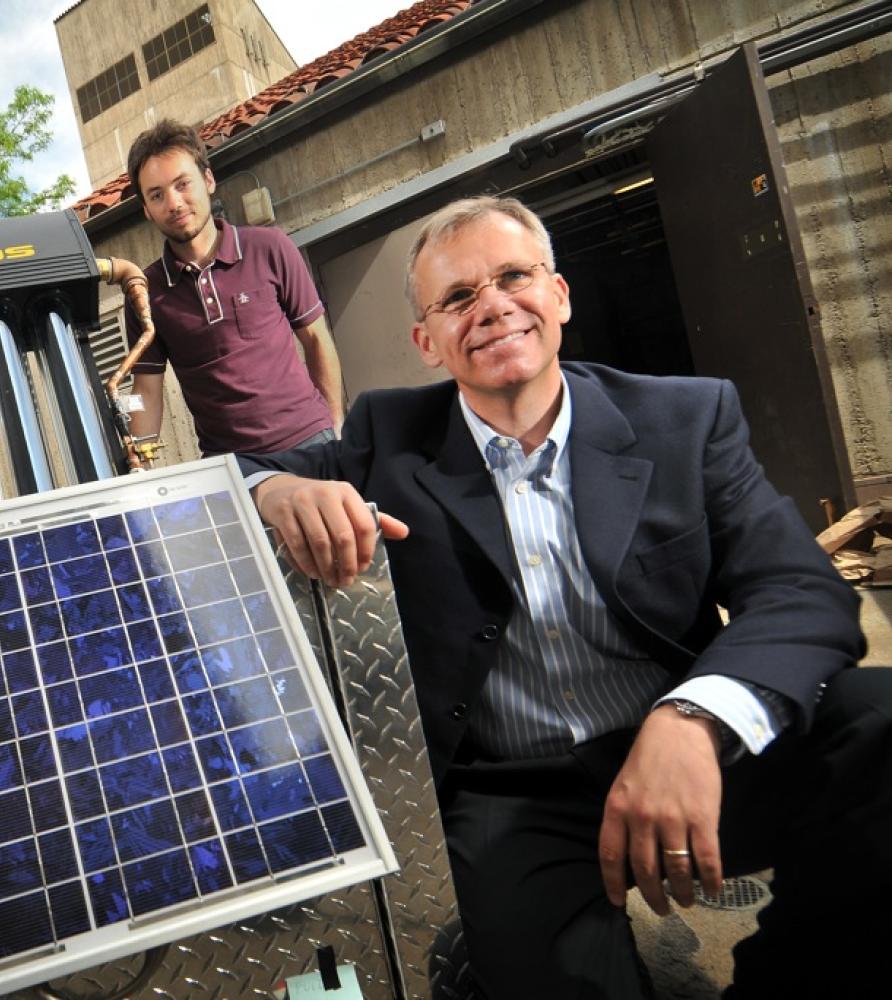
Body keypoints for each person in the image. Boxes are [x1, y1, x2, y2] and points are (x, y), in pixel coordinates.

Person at [240, 195, 892, 998]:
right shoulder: (386, 438)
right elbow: (224, 480)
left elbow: (800, 590)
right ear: (428, 342)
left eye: (514, 277)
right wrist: (275, 490)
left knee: (878, 718)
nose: (492, 307)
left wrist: (694, 718)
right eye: (458, 297)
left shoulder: (684, 419)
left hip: (686, 754)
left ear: (559, 295)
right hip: (516, 790)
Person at [121, 119, 344, 456]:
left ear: (208, 180)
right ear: (147, 211)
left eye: (183, 184)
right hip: (233, 466)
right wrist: (139, 466)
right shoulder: (146, 292)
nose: (174, 203)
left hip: (310, 442)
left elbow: (316, 338)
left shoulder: (270, 247)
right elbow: (147, 390)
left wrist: (334, 427)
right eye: (157, 195)